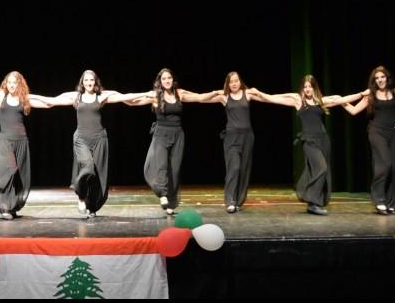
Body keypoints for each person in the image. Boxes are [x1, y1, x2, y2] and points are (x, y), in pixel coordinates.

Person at [31, 70, 151, 218]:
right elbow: (51, 101)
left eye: (91, 80)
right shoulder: (76, 96)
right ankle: (81, 196)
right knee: (87, 167)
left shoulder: (101, 96)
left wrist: (149, 93)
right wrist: (29, 96)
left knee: (98, 176)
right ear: (82, 82)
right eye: (86, 80)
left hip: (100, 138)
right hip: (81, 138)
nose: (89, 83)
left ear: (95, 82)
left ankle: (92, 206)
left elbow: (126, 97)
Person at [248, 75, 366, 215]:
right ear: (302, 89)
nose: (307, 89)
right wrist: (258, 93)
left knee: (321, 170)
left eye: (310, 86)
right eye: (305, 86)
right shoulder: (298, 101)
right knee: (321, 168)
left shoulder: (321, 101)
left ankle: (313, 203)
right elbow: (273, 99)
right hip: (309, 141)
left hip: (323, 140)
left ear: (314, 88)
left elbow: (342, 99)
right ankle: (313, 202)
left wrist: (362, 94)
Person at [125, 68, 223, 216]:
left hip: (178, 134)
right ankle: (163, 195)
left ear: (172, 79)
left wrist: (217, 92)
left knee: (174, 169)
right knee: (162, 165)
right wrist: (125, 97)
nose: (167, 81)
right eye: (164, 79)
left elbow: (200, 98)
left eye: (169, 78)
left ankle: (171, 203)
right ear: (160, 81)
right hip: (161, 134)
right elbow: (133, 103)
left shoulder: (179, 93)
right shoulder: (156, 96)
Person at [341, 66, 395, 214]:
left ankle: (392, 203)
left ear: (387, 78)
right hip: (376, 131)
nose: (380, 80)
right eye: (377, 78)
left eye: (382, 77)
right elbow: (354, 111)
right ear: (374, 81)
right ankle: (379, 200)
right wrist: (341, 101)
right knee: (385, 164)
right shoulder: (371, 95)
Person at [0, 71, 50, 220]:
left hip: (21, 140)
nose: (12, 85)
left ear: (19, 84)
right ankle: (3, 205)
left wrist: (32, 96)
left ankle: (11, 206)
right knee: (9, 169)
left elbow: (49, 104)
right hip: (5, 140)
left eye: (15, 83)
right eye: (9, 82)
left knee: (19, 176)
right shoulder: (1, 97)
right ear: (5, 84)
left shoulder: (24, 99)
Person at [204, 71, 274, 213]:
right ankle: (230, 200)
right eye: (231, 81)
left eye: (236, 81)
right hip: (231, 137)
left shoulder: (247, 94)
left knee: (244, 169)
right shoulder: (224, 97)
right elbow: (201, 99)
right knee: (234, 167)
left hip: (247, 137)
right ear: (228, 84)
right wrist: (214, 92)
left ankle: (239, 200)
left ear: (240, 81)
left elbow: (268, 99)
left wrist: (259, 92)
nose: (234, 83)